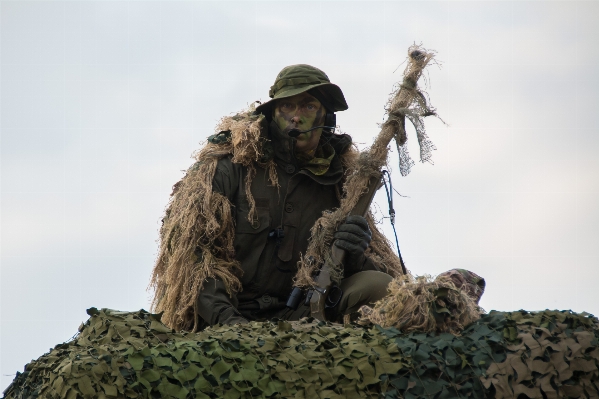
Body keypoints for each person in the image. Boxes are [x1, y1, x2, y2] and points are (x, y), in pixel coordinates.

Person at [150, 64, 405, 331]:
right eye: (287, 107)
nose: (296, 117)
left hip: (304, 314)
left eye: (308, 106)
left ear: (326, 118)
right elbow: (194, 260)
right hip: (227, 318)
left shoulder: (344, 184)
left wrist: (355, 253)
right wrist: (232, 326)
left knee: (380, 287)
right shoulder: (228, 169)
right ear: (272, 115)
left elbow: (367, 271)